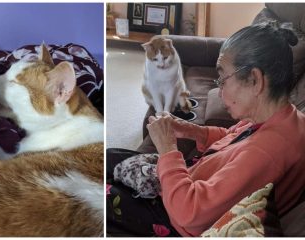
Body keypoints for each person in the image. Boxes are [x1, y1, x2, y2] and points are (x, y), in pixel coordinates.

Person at [106, 22, 305, 237]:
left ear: (255, 80)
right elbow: (233, 138)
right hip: (192, 182)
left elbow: (189, 214)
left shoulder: (266, 153)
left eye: (223, 79)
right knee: (109, 158)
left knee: (98, 196)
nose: (219, 91)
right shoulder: (280, 118)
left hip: (177, 219)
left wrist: (168, 149)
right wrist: (194, 131)